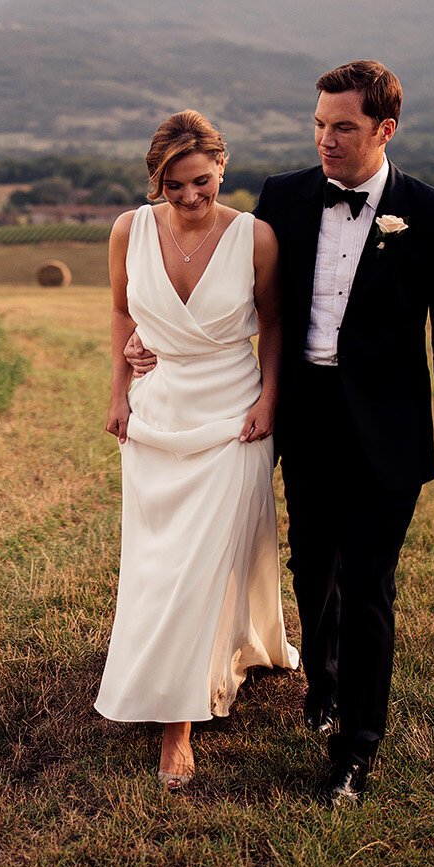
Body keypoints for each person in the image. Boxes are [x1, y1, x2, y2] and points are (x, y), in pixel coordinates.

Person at [128, 62, 434, 807]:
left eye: (343, 127)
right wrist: (155, 341)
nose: (326, 139)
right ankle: (320, 685)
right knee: (311, 569)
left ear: (385, 130)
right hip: (302, 417)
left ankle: (356, 748)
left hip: (386, 430)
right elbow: (247, 302)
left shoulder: (430, 212)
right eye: (319, 124)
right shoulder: (284, 198)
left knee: (368, 587)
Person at [94, 109, 299, 790]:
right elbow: (123, 311)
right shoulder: (128, 229)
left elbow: (272, 323)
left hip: (231, 415)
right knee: (159, 562)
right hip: (157, 413)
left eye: (202, 183)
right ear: (156, 179)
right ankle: (214, 654)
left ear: (222, 170)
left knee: (205, 562)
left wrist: (268, 400)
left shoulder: (256, 237)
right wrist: (120, 391)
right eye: (173, 185)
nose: (188, 198)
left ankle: (176, 727)